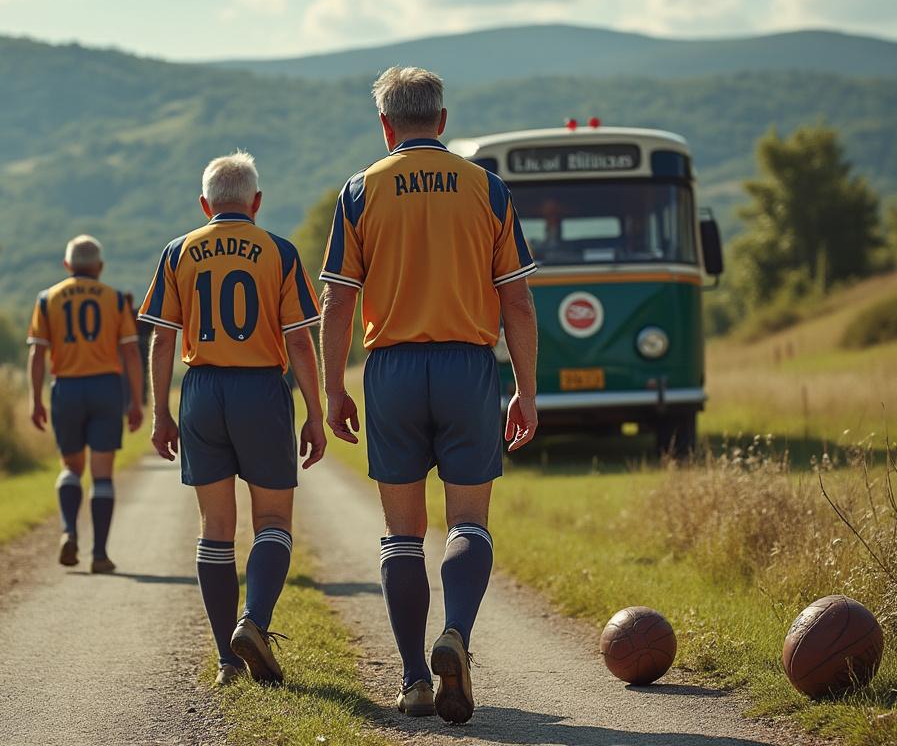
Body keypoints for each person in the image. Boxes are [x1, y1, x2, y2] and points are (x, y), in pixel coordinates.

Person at [317, 67, 540, 723]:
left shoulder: (360, 191)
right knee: (468, 521)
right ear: (442, 120)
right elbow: (518, 304)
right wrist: (525, 390)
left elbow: (337, 300)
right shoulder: (487, 188)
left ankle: (415, 679)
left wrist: (333, 389)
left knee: (402, 535)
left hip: (391, 370)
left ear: (386, 125)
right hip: (469, 366)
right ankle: (458, 636)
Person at [139, 151, 326, 686]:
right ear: (257, 203)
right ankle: (255, 623)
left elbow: (162, 338)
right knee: (272, 522)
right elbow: (299, 340)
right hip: (262, 389)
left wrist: (161, 413)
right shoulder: (280, 252)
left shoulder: (178, 252)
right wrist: (315, 412)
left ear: (205, 205)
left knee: (216, 530)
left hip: (201, 390)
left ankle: (227, 660)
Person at [27, 235, 144, 574]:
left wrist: (36, 400)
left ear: (67, 265)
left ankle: (68, 531)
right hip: (107, 388)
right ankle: (100, 554)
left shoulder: (48, 298)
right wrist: (135, 401)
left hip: (67, 389)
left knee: (71, 468)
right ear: (100, 267)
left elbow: (37, 353)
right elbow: (131, 353)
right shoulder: (116, 299)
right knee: (103, 473)